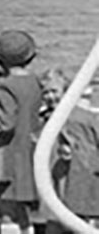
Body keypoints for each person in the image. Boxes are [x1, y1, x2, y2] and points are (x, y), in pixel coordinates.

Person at [0, 30, 42, 234]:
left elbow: (6, 123)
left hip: (8, 153)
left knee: (6, 209)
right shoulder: (35, 82)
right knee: (22, 208)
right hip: (30, 151)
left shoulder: (4, 87)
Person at [39, 69, 99, 233]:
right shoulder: (46, 118)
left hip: (81, 183)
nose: (50, 97)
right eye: (46, 92)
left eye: (54, 91)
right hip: (57, 183)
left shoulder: (81, 118)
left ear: (66, 91)